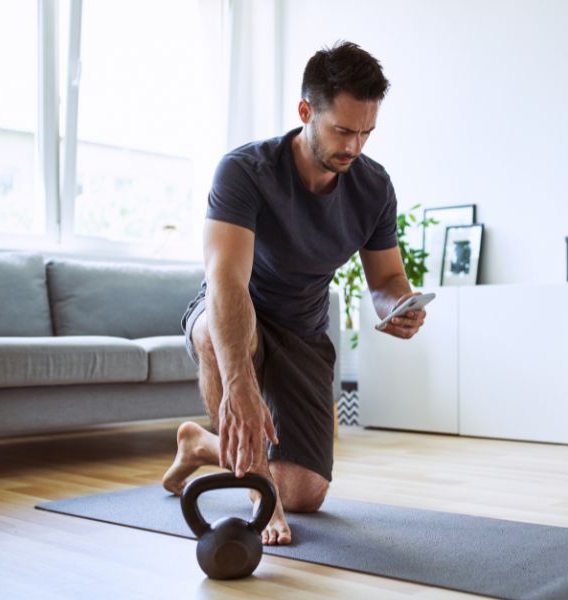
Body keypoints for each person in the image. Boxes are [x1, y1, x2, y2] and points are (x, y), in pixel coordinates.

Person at [161, 41, 427, 545]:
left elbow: (387, 281)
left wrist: (397, 308)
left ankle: (201, 444)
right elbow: (226, 283)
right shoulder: (245, 171)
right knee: (213, 337)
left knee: (305, 492)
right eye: (342, 130)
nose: (354, 147)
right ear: (306, 111)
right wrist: (239, 383)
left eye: (366, 133)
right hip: (236, 308)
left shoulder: (373, 187)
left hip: (303, 329)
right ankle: (259, 488)